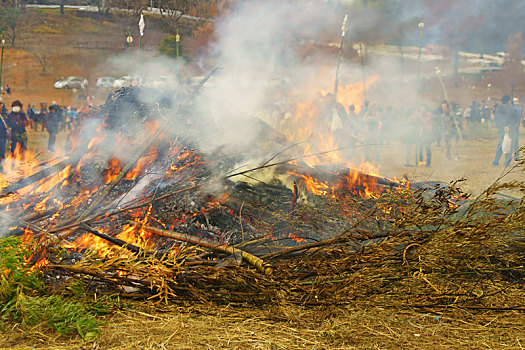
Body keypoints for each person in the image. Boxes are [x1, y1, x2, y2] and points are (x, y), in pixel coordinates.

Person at [492, 95, 514, 166]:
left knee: (508, 145)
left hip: (509, 129)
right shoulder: (501, 109)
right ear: (508, 101)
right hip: (503, 130)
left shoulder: (508, 109)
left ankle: (503, 162)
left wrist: (508, 126)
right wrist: (504, 127)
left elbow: (513, 119)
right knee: (502, 145)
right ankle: (497, 161)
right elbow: (497, 119)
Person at [0, 98, 8, 168]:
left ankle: (2, 168)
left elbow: (9, 123)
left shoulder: (4, 114)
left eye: (0, 103)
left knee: (2, 153)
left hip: (3, 136)